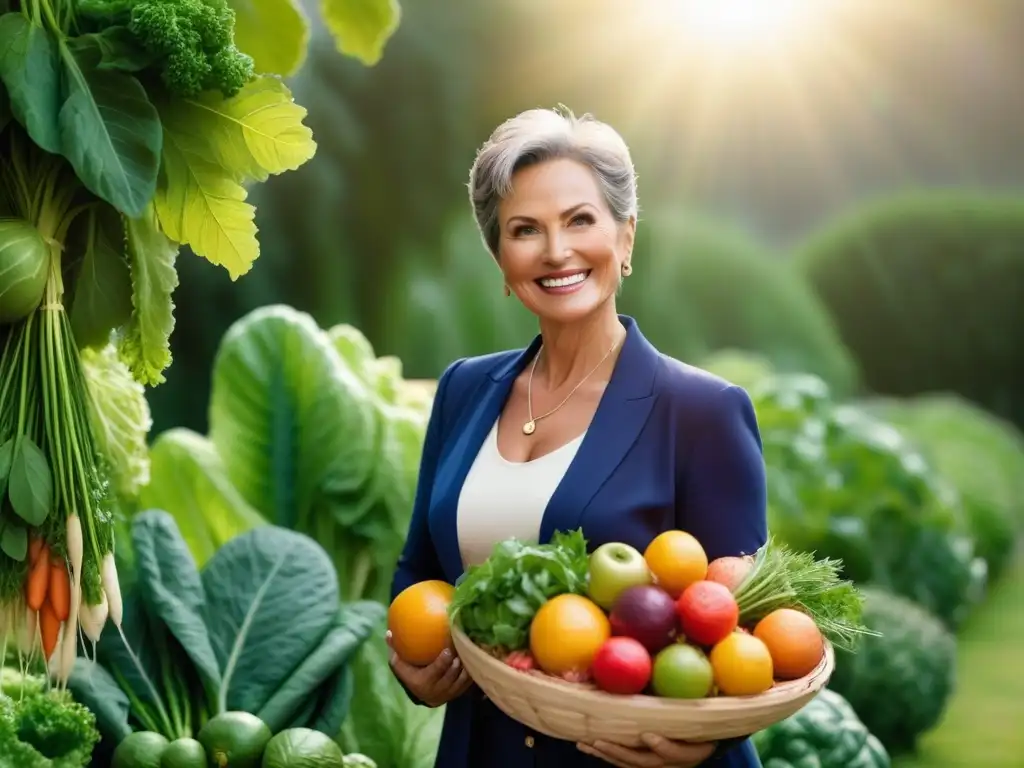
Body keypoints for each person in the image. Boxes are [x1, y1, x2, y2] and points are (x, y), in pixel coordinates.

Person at [387, 107, 768, 768]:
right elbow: (419, 568)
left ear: (625, 238)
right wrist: (412, 665)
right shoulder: (463, 390)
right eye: (524, 230)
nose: (556, 251)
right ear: (501, 260)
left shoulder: (701, 410)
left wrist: (704, 737)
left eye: (580, 220)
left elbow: (752, 625)